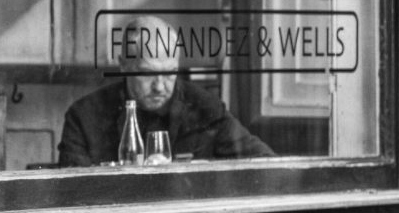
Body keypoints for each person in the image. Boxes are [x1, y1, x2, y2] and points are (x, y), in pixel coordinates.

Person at [58, 15, 274, 167]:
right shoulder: (85, 116)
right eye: (147, 74)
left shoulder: (205, 108)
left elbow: (265, 161)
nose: (159, 86)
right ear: (124, 66)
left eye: (170, 73)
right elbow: (73, 193)